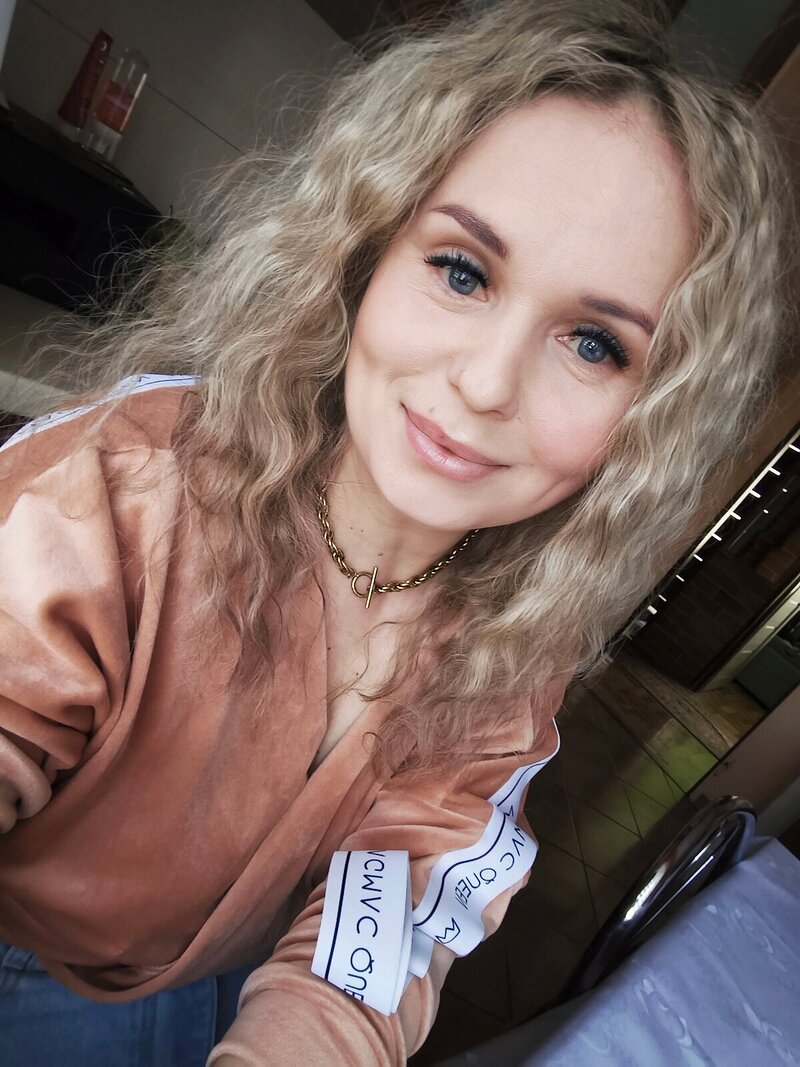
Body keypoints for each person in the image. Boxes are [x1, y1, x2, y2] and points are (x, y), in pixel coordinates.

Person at [0, 0, 792, 1064]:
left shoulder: (512, 660)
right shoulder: (121, 492)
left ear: (648, 420)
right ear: (366, 253)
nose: (485, 382)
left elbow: (374, 938)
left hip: (210, 984)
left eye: (594, 344)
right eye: (462, 271)